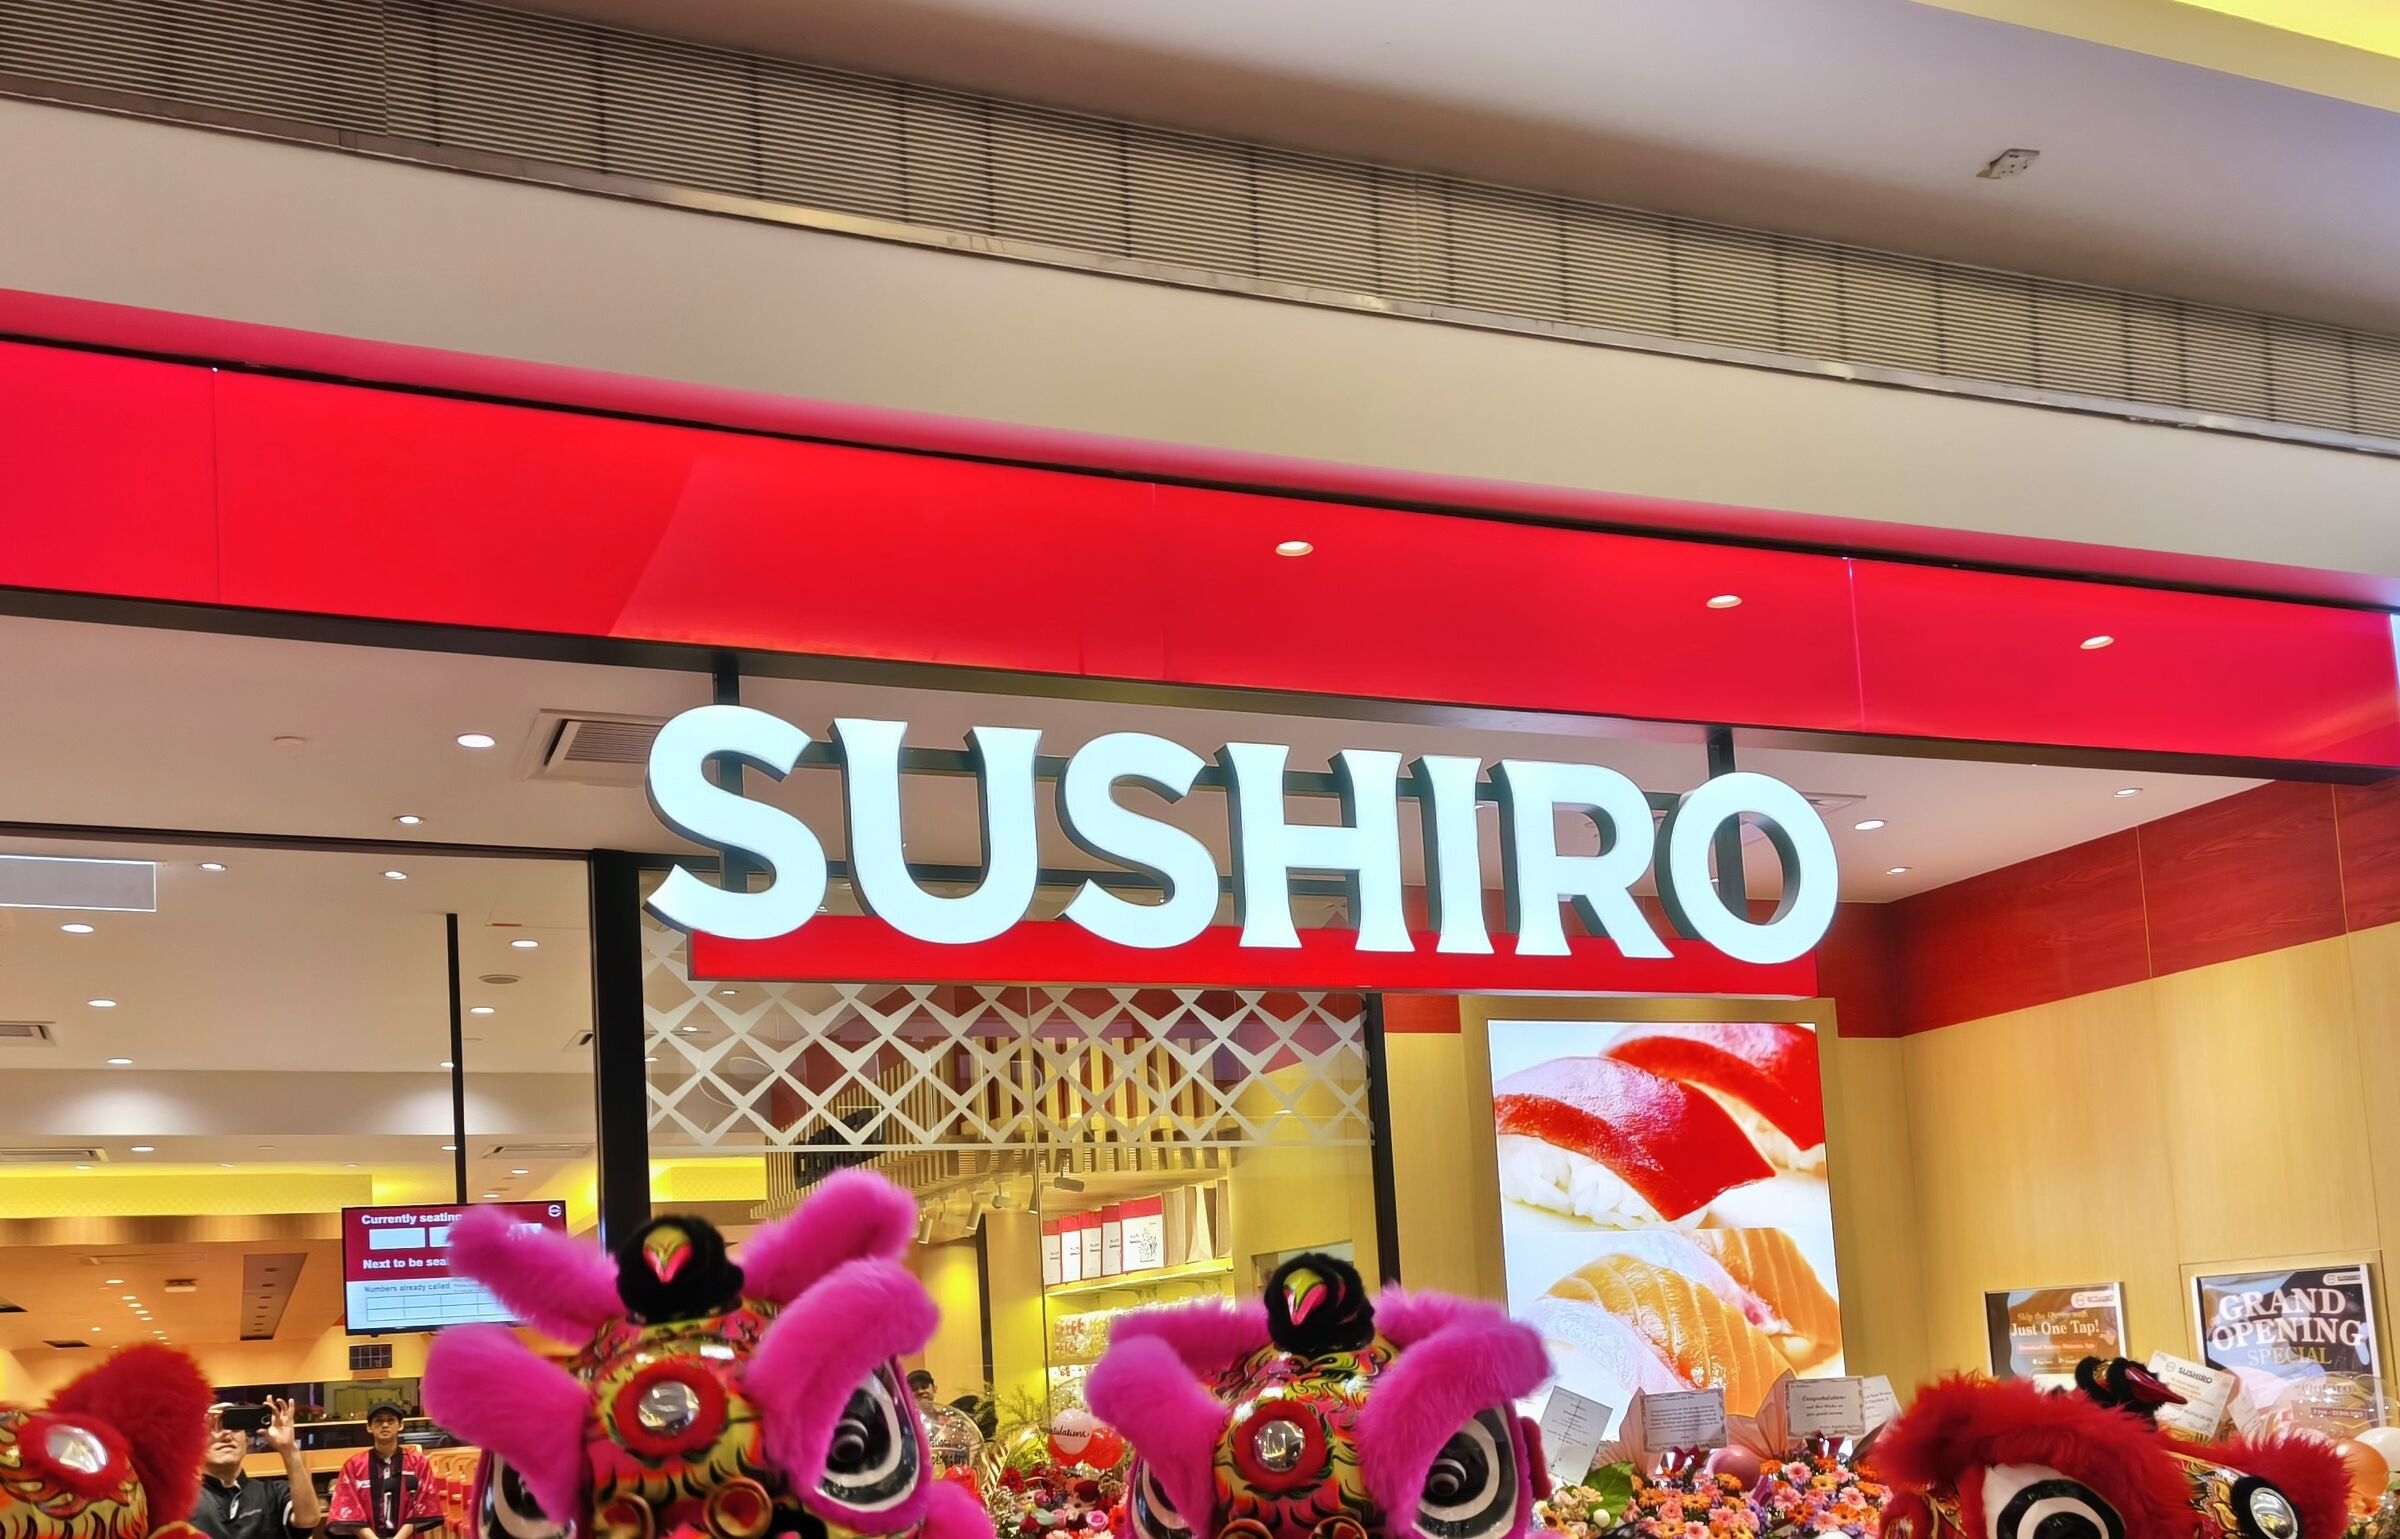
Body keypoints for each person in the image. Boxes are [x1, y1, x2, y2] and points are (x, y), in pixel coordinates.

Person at [193, 1398, 324, 1539]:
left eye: (235, 1427)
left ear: (247, 1442)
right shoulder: (182, 1501)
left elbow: (308, 1520)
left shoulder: (274, 1493)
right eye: (213, 1428)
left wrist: (289, 1450)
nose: (226, 1436)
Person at [325, 1405, 440, 1539]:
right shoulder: (353, 1466)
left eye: (390, 1420)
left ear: (401, 1425)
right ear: (369, 1427)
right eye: (379, 1421)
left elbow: (423, 1504)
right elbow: (350, 1508)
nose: (385, 1425)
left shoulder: (418, 1463)